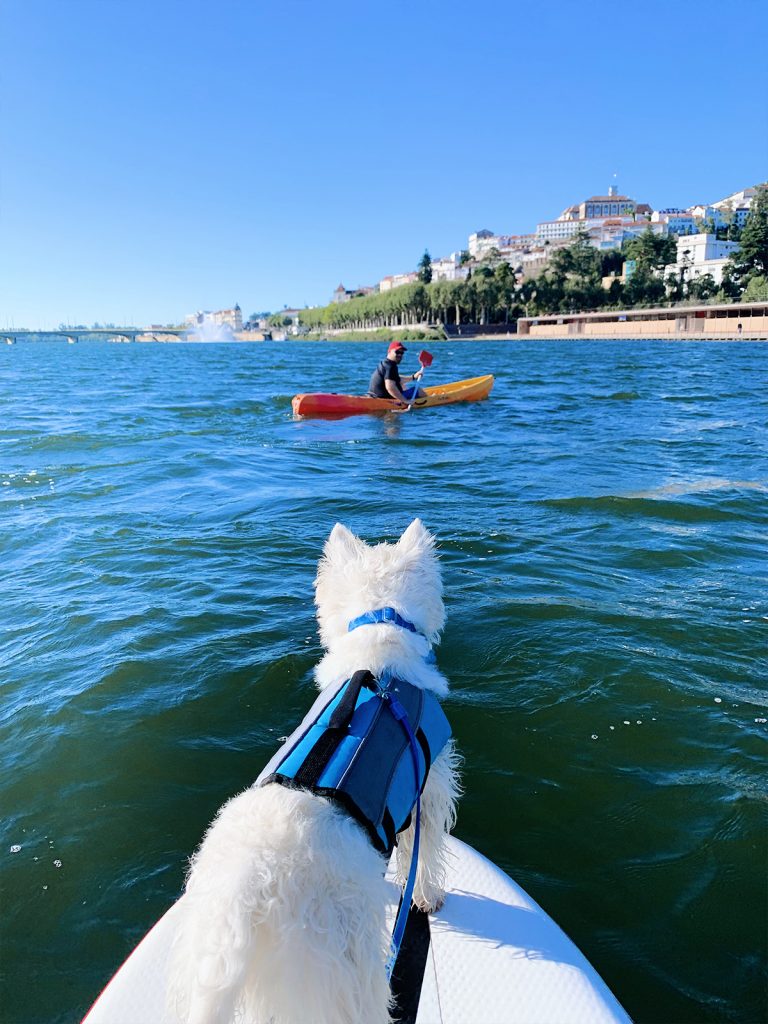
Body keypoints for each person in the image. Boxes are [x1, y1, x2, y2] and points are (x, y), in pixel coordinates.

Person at [368, 341, 424, 405]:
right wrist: (405, 400)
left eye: (402, 353)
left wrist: (413, 377)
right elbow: (390, 387)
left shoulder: (385, 363)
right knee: (419, 391)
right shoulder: (390, 366)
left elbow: (396, 379)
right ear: (389, 351)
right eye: (397, 352)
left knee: (402, 386)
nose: (400, 355)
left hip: (373, 397)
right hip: (386, 400)